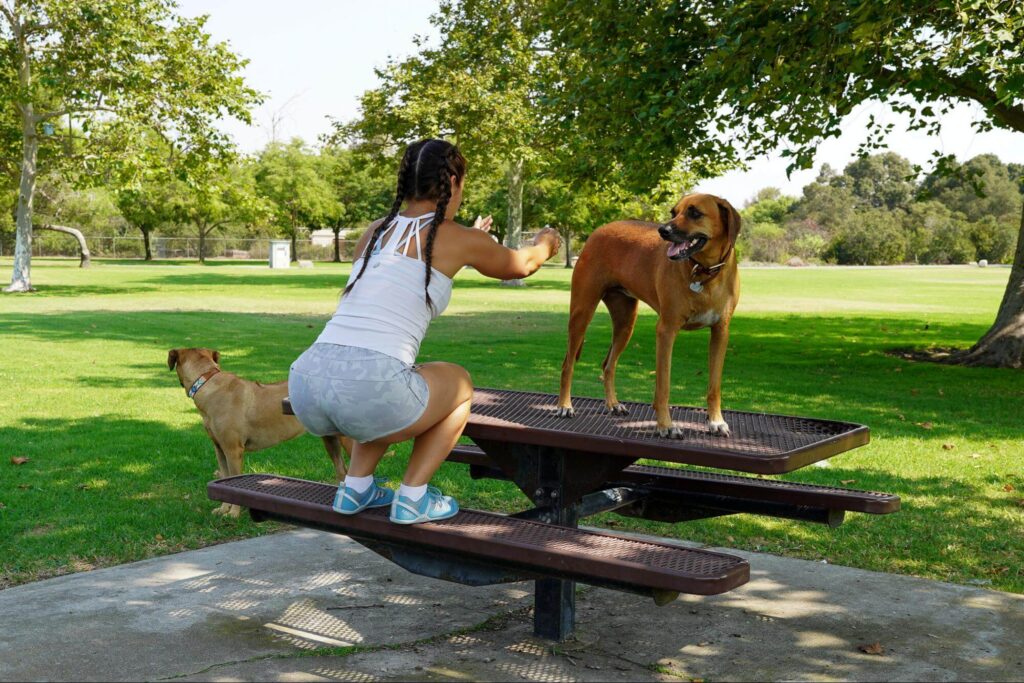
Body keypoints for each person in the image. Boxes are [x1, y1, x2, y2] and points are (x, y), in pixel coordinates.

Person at [288, 139, 561, 524]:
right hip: (369, 385)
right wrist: (546, 243)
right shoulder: (459, 237)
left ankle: (355, 488)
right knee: (458, 382)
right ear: (452, 180)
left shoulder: (373, 232)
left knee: (382, 384)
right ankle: (413, 496)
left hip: (306, 382)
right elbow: (522, 264)